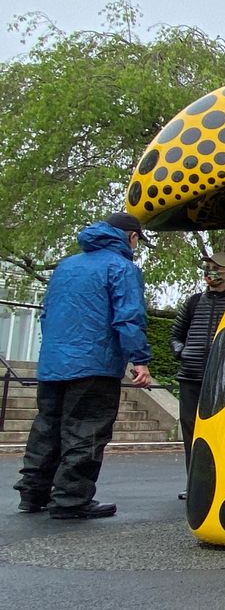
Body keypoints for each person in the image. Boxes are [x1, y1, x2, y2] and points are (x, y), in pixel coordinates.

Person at [13, 212, 153, 519]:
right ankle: (70, 499)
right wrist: (139, 360)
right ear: (131, 237)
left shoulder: (66, 266)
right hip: (95, 364)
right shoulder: (122, 268)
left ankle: (33, 493)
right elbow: (128, 318)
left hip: (54, 363)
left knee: (47, 427)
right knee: (86, 431)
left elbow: (47, 314)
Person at [171, 251, 225, 500]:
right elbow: (176, 335)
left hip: (222, 382)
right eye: (207, 267)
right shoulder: (193, 302)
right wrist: (181, 352)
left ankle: (220, 484)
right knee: (191, 433)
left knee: (221, 433)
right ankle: (195, 485)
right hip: (190, 377)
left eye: (216, 268)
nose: (210, 272)